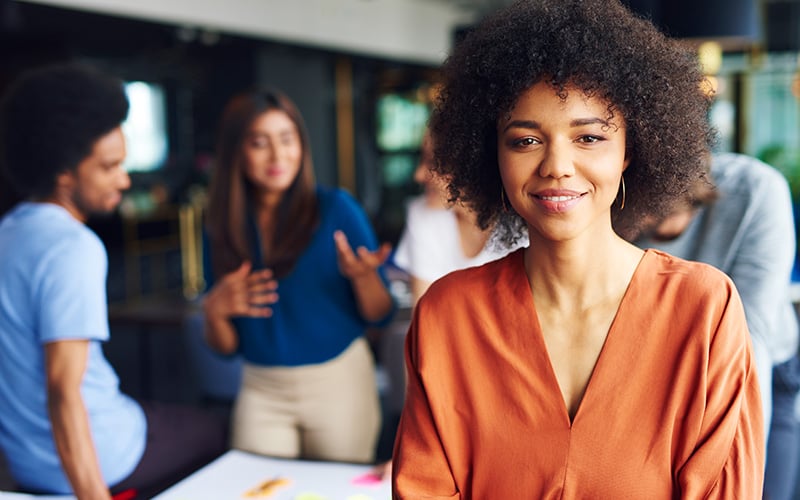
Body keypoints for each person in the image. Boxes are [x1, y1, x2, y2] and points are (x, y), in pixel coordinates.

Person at [391, 0, 764, 497]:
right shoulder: (447, 315)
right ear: (491, 155)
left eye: (588, 137)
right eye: (525, 141)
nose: (557, 166)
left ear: (631, 149)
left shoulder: (703, 308)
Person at [0, 62, 227, 499]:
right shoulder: (73, 246)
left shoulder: (7, 232)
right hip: (102, 457)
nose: (124, 180)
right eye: (109, 167)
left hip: (26, 463)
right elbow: (64, 391)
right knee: (216, 432)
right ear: (63, 173)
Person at [202, 88, 395, 464]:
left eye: (287, 140)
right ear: (236, 153)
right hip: (261, 388)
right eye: (260, 143)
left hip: (338, 383)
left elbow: (380, 314)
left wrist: (364, 278)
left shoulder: (336, 208)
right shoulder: (222, 226)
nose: (278, 155)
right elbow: (225, 348)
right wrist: (214, 309)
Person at [634, 152, 800, 500]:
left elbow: (750, 347)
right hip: (658, 370)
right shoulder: (611, 210)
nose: (651, 232)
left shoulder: (755, 191)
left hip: (762, 368)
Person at [393, 131, 521, 304]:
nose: (419, 175)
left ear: (471, 168)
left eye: (432, 164)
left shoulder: (524, 226)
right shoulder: (422, 214)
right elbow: (425, 320)